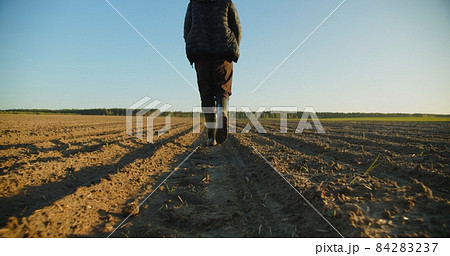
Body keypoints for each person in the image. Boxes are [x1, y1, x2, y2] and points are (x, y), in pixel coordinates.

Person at [184, 0, 242, 146]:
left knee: (206, 94)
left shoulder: (193, 3)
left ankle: (211, 137)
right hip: (223, 53)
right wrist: (234, 46)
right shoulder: (226, 2)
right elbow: (237, 27)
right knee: (223, 88)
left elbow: (187, 29)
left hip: (200, 53)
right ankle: (223, 112)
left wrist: (192, 45)